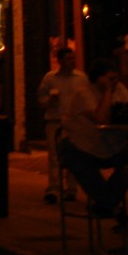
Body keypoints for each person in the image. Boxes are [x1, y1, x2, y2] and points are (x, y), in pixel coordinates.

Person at [58, 57, 128, 222]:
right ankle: (109, 203)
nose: (115, 82)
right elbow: (100, 118)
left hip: (111, 145)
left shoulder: (121, 89)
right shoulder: (84, 93)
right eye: (110, 79)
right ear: (98, 78)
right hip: (82, 145)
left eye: (116, 78)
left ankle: (107, 204)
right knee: (76, 159)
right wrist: (108, 91)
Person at [37, 47, 85, 203]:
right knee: (55, 156)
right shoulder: (50, 78)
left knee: (73, 155)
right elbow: (41, 100)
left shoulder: (81, 78)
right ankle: (54, 188)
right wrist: (49, 101)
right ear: (60, 61)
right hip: (55, 120)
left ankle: (71, 189)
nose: (71, 62)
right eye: (68, 59)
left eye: (73, 58)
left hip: (73, 122)